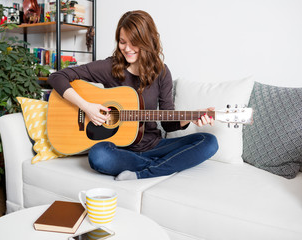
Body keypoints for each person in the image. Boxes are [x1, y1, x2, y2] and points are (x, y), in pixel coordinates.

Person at [48, 10, 218, 181]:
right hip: (119, 149)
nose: (127, 49)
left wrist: (191, 117)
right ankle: (165, 165)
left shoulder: (162, 73)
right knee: (98, 155)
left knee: (209, 141)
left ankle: (142, 172)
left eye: (134, 42)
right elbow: (57, 77)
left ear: (147, 41)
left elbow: (168, 125)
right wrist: (87, 107)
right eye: (122, 42)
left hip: (154, 146)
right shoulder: (109, 67)